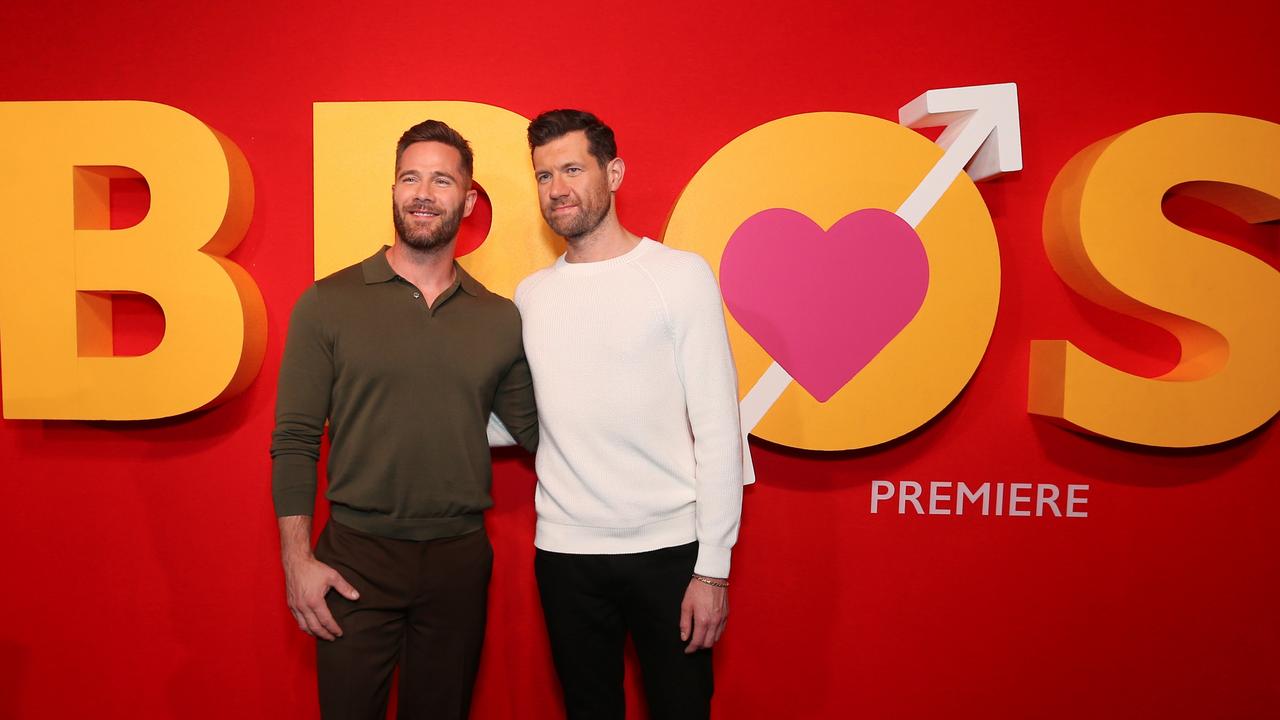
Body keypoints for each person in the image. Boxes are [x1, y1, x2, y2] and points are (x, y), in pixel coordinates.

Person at [270, 119, 538, 720]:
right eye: (410, 177)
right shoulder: (327, 303)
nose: (423, 192)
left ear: (467, 201)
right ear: (393, 190)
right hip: (355, 559)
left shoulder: (498, 318)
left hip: (458, 561)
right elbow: (294, 438)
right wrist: (296, 559)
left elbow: (545, 433)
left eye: (442, 180)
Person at [515, 109, 744, 719]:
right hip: (565, 556)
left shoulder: (679, 277)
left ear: (613, 172)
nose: (556, 188)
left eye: (571, 169)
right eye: (542, 175)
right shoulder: (530, 295)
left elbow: (721, 430)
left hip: (671, 553)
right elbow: (518, 417)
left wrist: (713, 571)